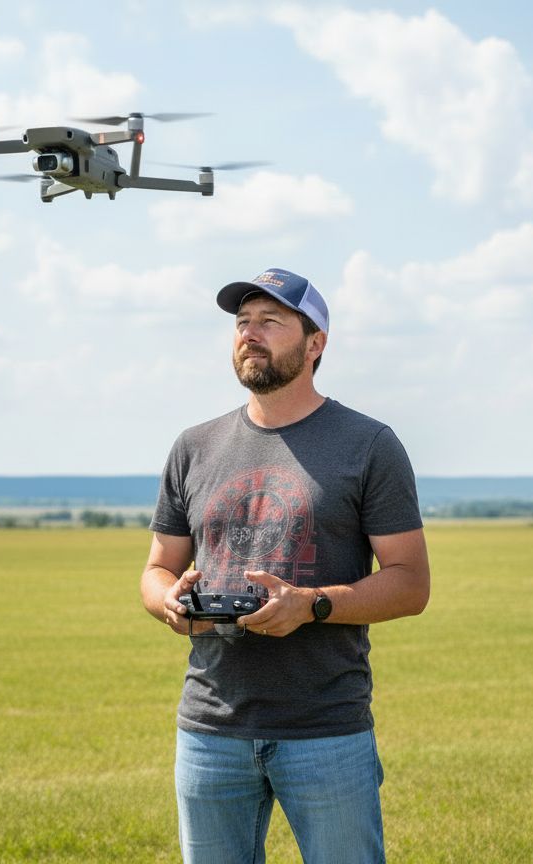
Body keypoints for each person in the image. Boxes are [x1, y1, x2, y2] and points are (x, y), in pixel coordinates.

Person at [140, 267, 430, 864]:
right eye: (243, 322)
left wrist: (312, 605)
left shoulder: (369, 445)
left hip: (326, 730)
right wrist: (172, 603)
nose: (250, 333)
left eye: (271, 321)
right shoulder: (194, 446)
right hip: (210, 727)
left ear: (316, 342)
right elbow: (157, 570)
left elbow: (410, 582)